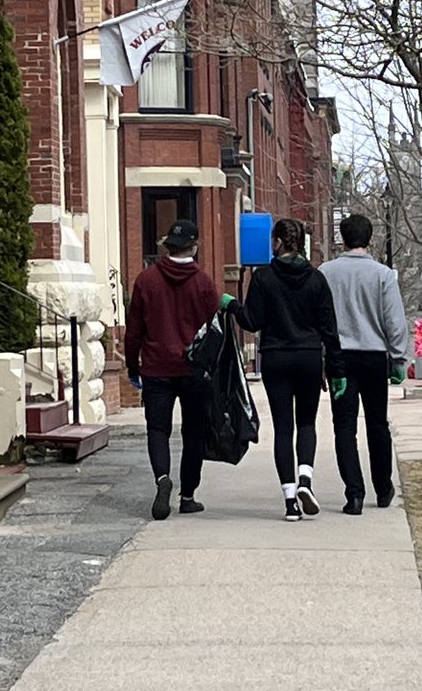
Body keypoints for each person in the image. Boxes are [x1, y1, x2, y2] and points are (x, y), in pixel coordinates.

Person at [223, 218, 344, 521]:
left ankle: (290, 501)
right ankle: (306, 480)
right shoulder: (317, 280)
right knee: (306, 423)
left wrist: (232, 305)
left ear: (277, 242)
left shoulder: (264, 278)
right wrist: (336, 369)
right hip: (308, 357)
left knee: (283, 428)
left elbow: (251, 321)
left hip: (276, 357)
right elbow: (330, 330)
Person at [125, 219, 219, 522]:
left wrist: (132, 365)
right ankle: (188, 495)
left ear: (168, 246)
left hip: (156, 367)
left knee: (158, 430)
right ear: (195, 246)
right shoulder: (204, 283)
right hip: (193, 370)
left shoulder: (146, 280)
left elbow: (134, 329)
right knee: (194, 433)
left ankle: (162, 479)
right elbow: (214, 330)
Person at [319, 213, 408, 515]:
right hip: (373, 356)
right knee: (377, 423)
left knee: (344, 426)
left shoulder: (326, 273)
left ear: (342, 237)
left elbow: (319, 320)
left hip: (339, 358)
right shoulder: (383, 275)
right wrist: (398, 359)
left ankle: (353, 494)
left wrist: (323, 359)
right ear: (370, 239)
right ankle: (383, 488)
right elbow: (394, 322)